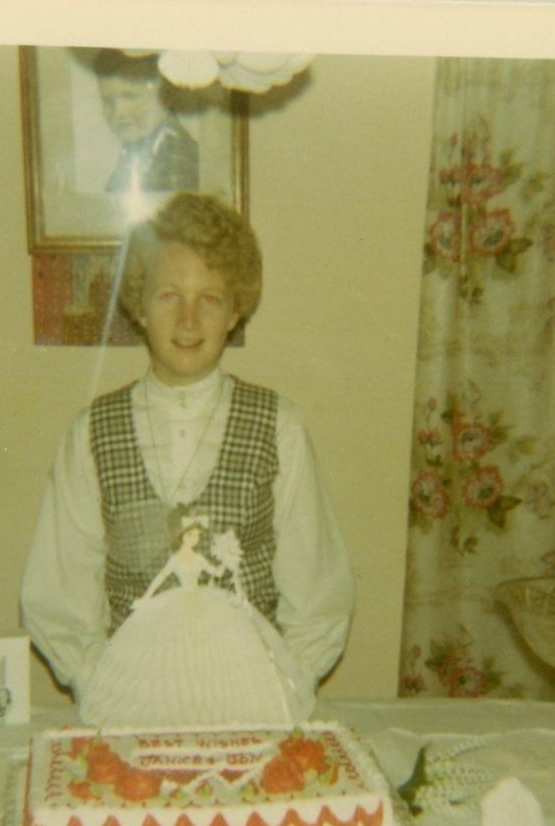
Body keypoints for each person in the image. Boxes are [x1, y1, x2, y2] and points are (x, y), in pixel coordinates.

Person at [20, 193, 354, 726]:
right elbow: (57, 595)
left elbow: (318, 595)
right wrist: (103, 684)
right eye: (169, 295)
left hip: (254, 712)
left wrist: (281, 689)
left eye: (211, 298)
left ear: (236, 311)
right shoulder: (90, 433)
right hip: (128, 711)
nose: (188, 319)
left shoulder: (279, 427)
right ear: (138, 302)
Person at [93, 49, 199, 194]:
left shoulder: (180, 159)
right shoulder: (136, 150)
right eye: (107, 100)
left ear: (166, 95)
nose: (118, 112)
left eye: (130, 96)